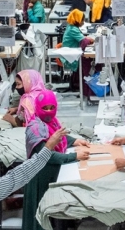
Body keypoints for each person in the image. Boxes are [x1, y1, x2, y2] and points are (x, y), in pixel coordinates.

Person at [22, 90, 89, 230]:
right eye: (44, 108)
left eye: (51, 108)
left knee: (54, 217)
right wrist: (74, 156)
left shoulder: (53, 122)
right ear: (37, 107)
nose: (48, 111)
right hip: (40, 178)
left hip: (53, 175)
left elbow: (59, 137)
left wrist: (75, 141)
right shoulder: (34, 128)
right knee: (41, 218)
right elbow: (48, 155)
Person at [62, 9, 95, 96]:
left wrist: (87, 39)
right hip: (70, 55)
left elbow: (82, 39)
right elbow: (84, 41)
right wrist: (90, 39)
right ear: (77, 20)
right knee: (88, 62)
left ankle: (80, 85)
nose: (83, 22)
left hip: (72, 52)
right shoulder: (73, 29)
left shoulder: (72, 27)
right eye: (82, 20)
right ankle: (86, 89)